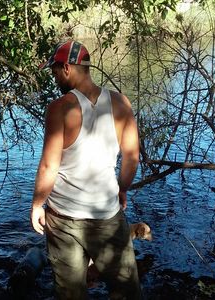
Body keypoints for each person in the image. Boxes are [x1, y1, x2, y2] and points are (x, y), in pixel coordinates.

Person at [30, 40, 142, 299]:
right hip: (107, 216)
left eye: (55, 71)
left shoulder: (59, 108)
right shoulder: (121, 103)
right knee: (126, 291)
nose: (55, 77)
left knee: (71, 293)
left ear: (67, 68)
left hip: (64, 220)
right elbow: (132, 157)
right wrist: (122, 189)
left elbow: (49, 165)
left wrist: (37, 205)